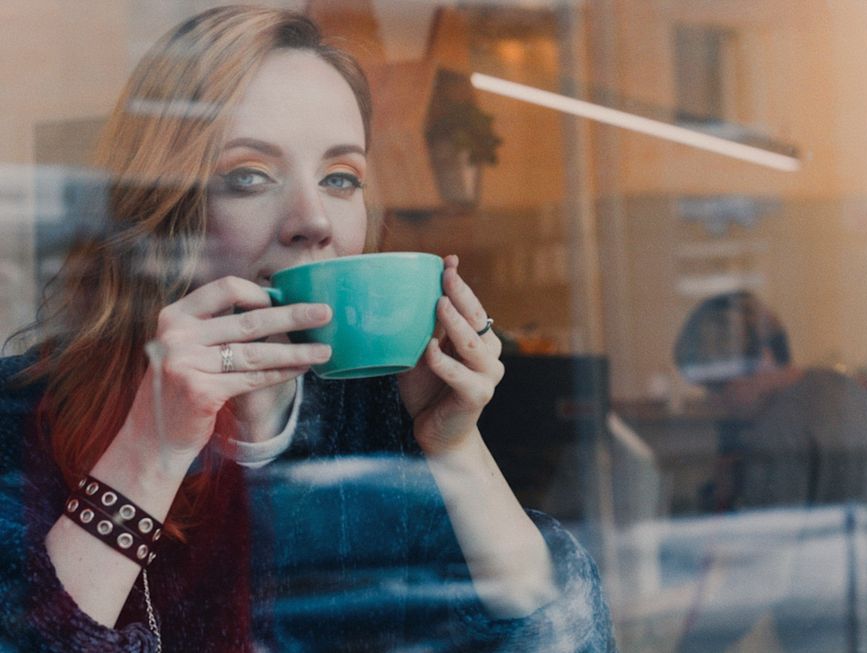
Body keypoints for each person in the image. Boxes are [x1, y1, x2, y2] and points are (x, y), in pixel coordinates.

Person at [0, 6, 614, 652]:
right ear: (162, 214)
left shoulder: (388, 421)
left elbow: (569, 642)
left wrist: (458, 451)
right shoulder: (24, 414)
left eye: (340, 178)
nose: (313, 219)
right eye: (249, 176)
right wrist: (147, 451)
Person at [673, 290, 867, 511]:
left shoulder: (776, 429)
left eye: (719, 386)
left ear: (763, 358)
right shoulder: (843, 387)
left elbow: (771, 537)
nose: (714, 401)